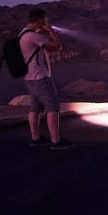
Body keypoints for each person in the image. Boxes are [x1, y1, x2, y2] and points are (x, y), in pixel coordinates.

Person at [20, 8, 75, 150]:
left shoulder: (23, 34)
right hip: (40, 78)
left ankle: (36, 138)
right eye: (45, 19)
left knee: (35, 108)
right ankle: (55, 141)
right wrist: (50, 31)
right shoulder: (33, 36)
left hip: (29, 78)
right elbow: (57, 47)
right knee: (53, 108)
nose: (46, 22)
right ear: (40, 20)